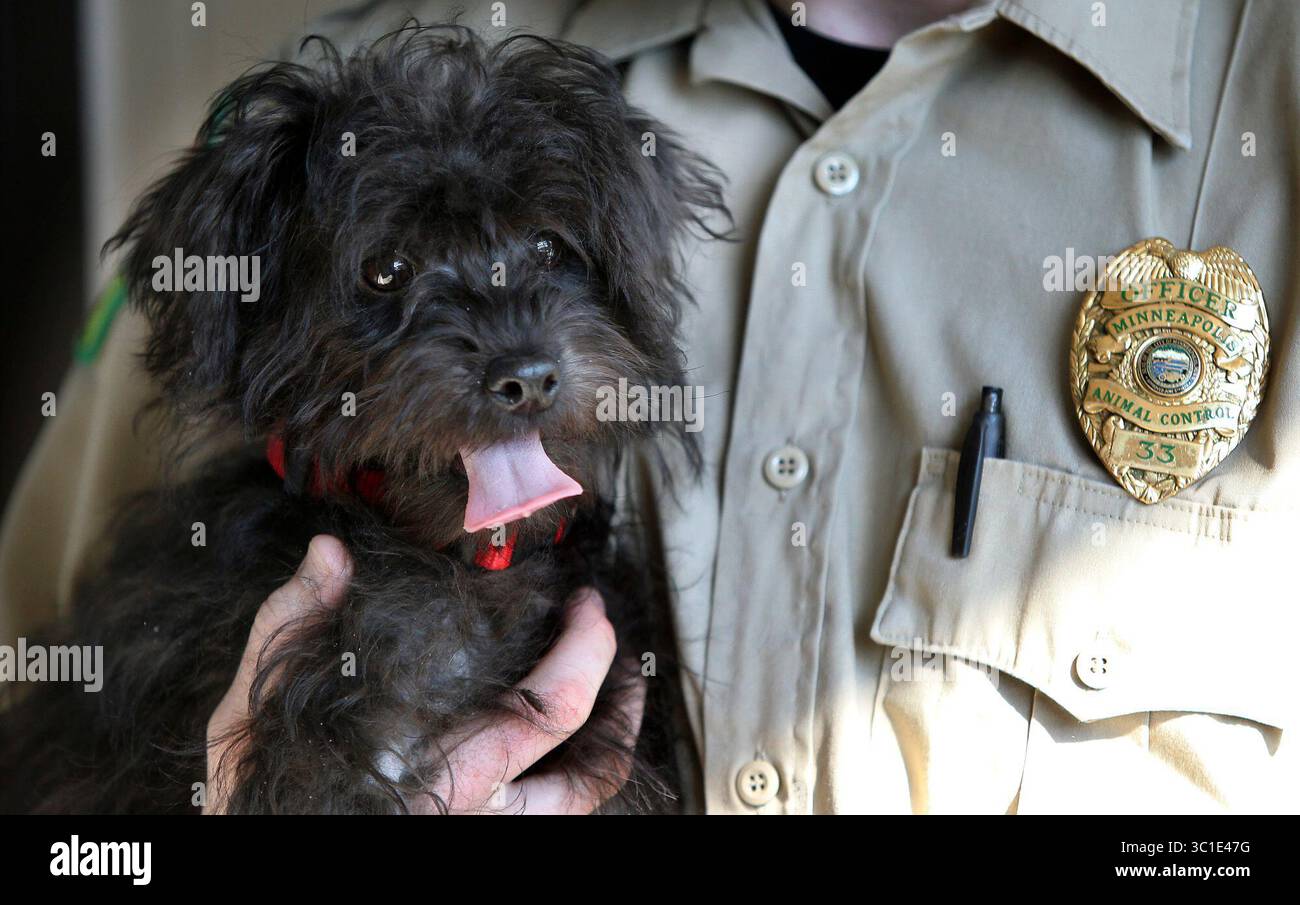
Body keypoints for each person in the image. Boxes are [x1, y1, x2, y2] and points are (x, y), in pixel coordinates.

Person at [3, 0, 1297, 814]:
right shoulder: (304, 143)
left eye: (555, 261)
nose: (515, 357)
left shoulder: (1268, 115)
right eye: (396, 279)